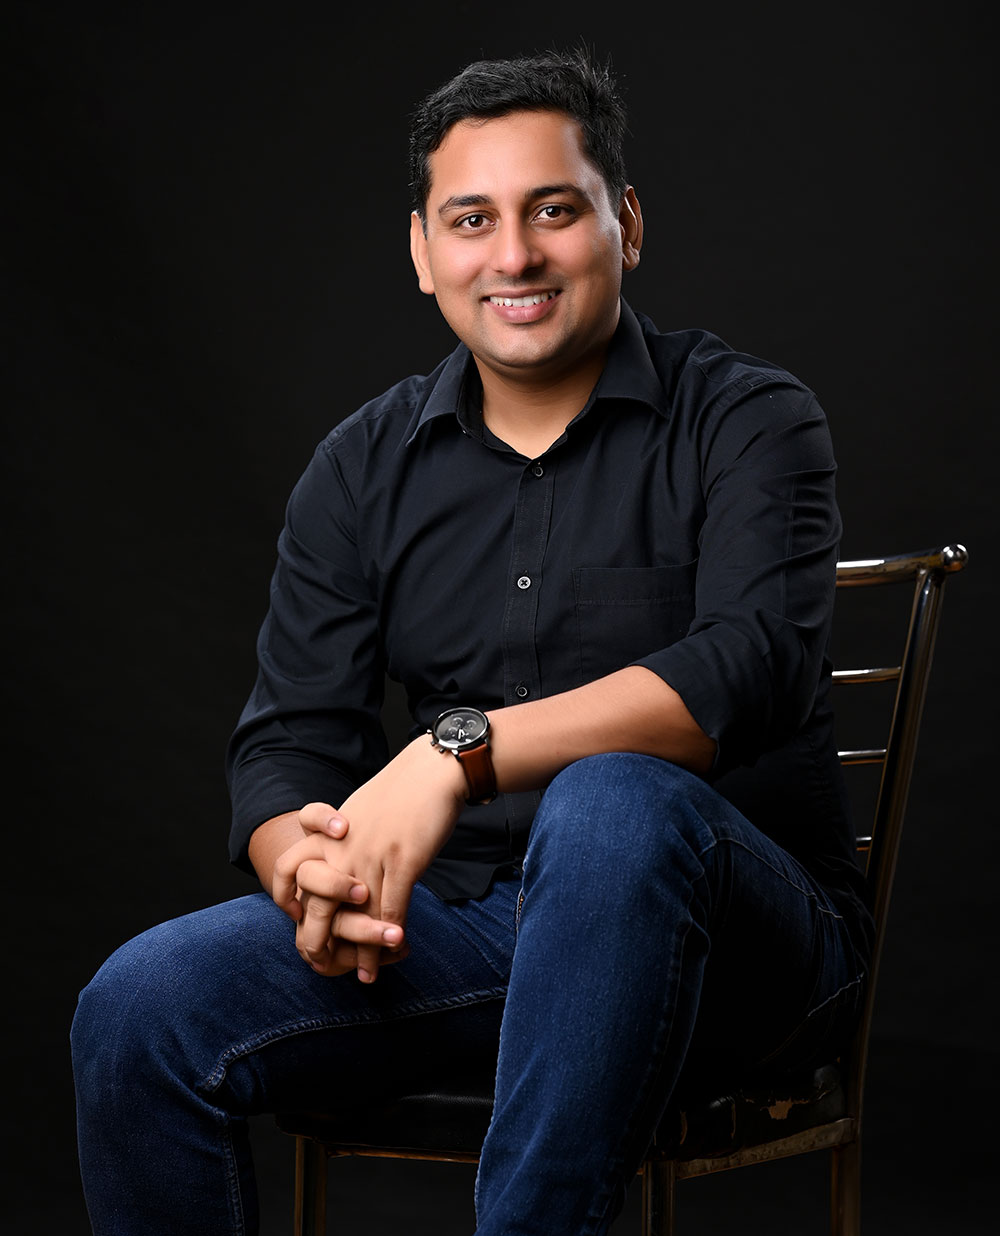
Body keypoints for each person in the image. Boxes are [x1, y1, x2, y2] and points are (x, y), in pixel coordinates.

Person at [71, 47, 874, 1236]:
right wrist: (309, 864)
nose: (513, 256)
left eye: (554, 210)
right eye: (472, 220)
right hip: (474, 938)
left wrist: (456, 751)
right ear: (422, 251)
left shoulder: (749, 418)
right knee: (139, 1004)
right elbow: (289, 741)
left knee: (615, 803)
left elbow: (745, 669)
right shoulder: (360, 466)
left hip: (740, 956)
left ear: (625, 223)